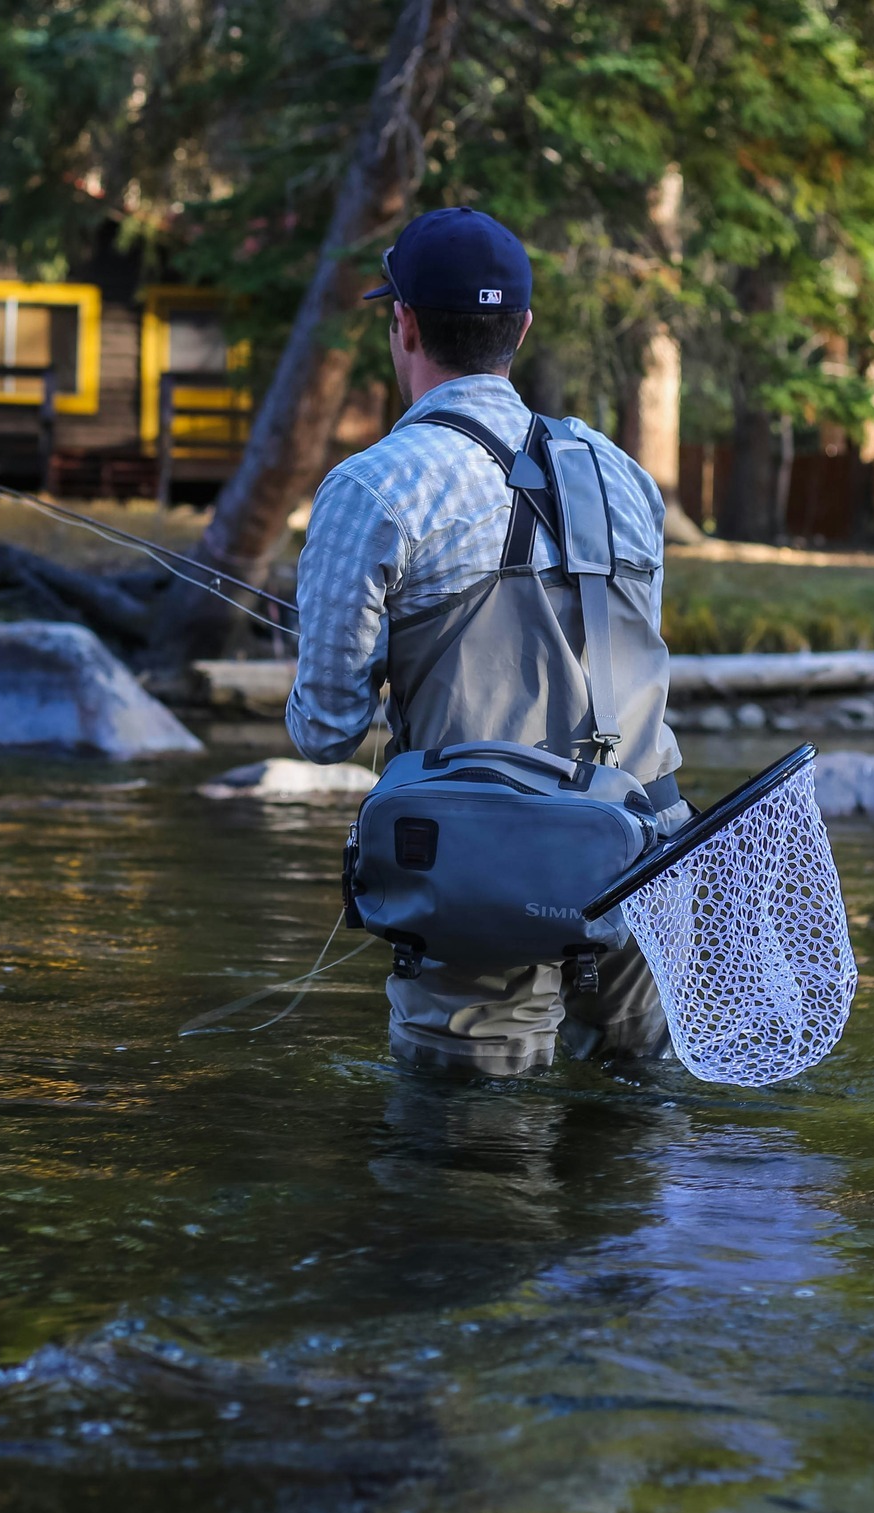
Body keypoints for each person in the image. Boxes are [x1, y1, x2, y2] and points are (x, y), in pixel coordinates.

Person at [286, 207, 686, 1078]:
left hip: (485, 882)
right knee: (629, 1158)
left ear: (404, 324)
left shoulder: (374, 487)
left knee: (468, 1169)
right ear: (523, 329)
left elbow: (325, 731)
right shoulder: (625, 474)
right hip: (651, 862)